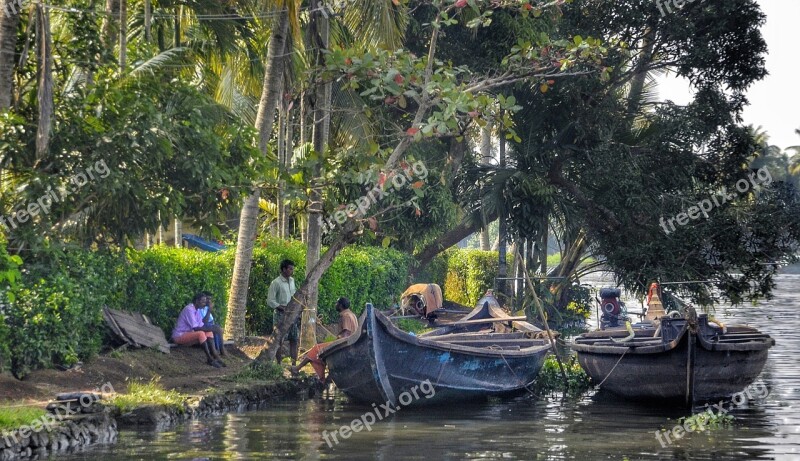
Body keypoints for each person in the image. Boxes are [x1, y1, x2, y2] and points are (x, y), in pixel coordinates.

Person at [290, 297, 358, 382]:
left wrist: (336, 341)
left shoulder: (346, 316)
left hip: (344, 345)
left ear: (340, 305)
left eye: (336, 303)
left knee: (316, 349)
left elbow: (346, 333)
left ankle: (297, 368)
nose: (335, 305)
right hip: (348, 344)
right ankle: (325, 378)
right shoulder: (352, 314)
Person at [172, 293, 226, 368]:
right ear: (197, 301)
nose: (205, 304)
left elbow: (201, 325)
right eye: (203, 301)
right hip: (179, 336)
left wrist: (212, 329)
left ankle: (216, 356)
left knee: (208, 332)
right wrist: (214, 329)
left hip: (188, 335)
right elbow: (196, 328)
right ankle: (209, 359)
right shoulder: (189, 309)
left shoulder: (196, 310)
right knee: (201, 333)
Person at [268, 259, 300, 366]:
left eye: (292, 269)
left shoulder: (292, 281)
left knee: (294, 339)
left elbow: (294, 296)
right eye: (290, 269)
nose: (292, 271)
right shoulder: (276, 282)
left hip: (292, 313)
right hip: (280, 314)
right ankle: (279, 364)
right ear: (284, 269)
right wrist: (281, 307)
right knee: (279, 340)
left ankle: (294, 365)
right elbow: (270, 300)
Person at [198, 291, 225, 356]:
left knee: (216, 328)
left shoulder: (206, 308)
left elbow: (211, 321)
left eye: (210, 299)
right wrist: (209, 310)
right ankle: (221, 350)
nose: (209, 301)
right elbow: (203, 322)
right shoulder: (199, 309)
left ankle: (219, 350)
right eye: (207, 299)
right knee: (216, 328)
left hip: (207, 326)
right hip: (200, 327)